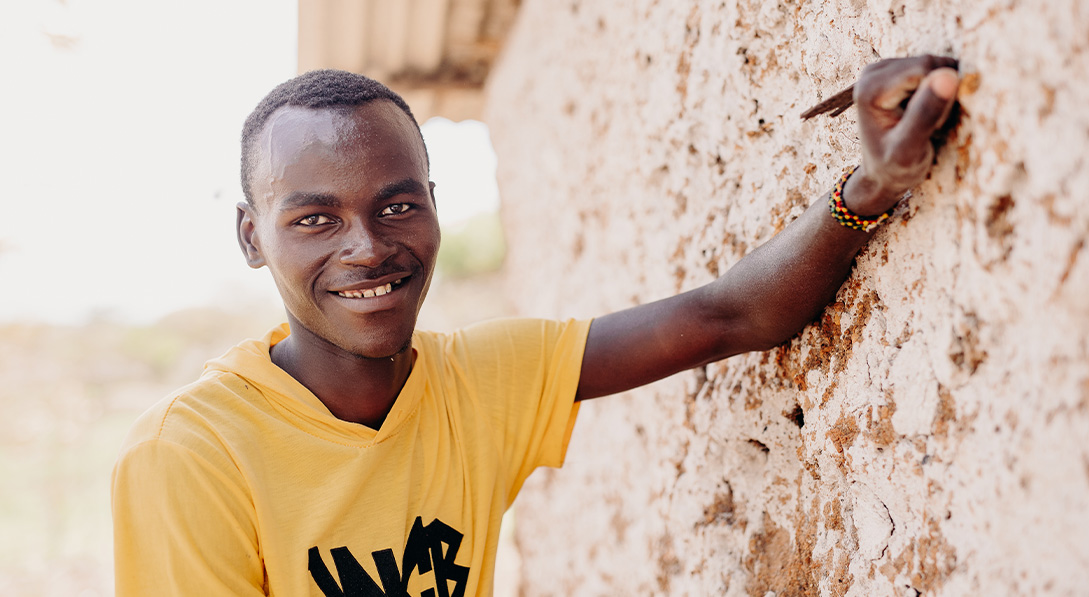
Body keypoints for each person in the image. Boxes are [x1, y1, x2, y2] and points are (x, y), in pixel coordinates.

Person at [111, 55, 960, 596]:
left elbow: (731, 313)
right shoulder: (191, 454)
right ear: (251, 237)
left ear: (434, 210)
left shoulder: (480, 382)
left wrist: (871, 187)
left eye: (396, 204)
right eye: (314, 220)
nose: (368, 247)